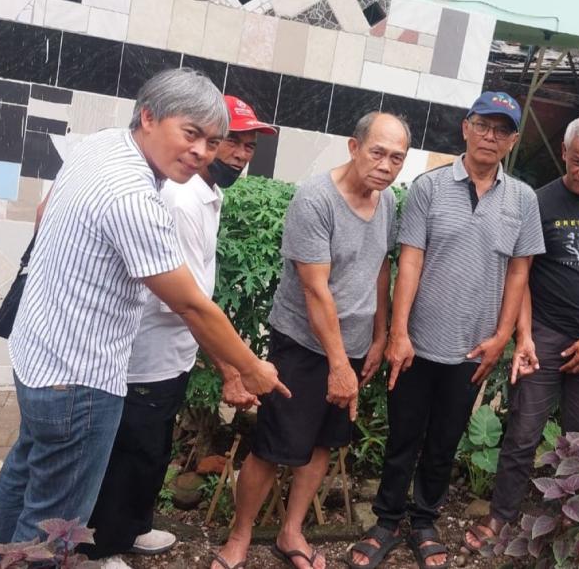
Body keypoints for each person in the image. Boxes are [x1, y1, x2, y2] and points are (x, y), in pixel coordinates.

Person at [0, 69, 289, 544]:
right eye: (191, 134)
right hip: (79, 379)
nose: (203, 152)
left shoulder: (101, 145)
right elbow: (190, 304)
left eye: (213, 141)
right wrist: (249, 368)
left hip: (38, 355)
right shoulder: (135, 199)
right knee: (54, 526)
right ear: (148, 116)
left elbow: (45, 214)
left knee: (24, 477)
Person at [348, 91, 544, 569]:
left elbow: (519, 273)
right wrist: (398, 332)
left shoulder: (522, 199)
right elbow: (409, 259)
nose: (490, 136)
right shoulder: (429, 187)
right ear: (466, 128)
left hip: (475, 349)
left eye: (501, 130)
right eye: (482, 125)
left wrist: (504, 337)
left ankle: (424, 522)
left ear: (512, 140)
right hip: (417, 344)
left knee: (445, 440)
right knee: (404, 435)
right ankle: (386, 521)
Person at [211, 112, 411, 569]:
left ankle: (291, 531)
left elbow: (381, 266)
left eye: (396, 158)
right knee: (274, 443)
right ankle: (239, 537)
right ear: (353, 146)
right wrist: (339, 365)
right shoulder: (316, 199)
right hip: (303, 344)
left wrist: (379, 335)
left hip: (356, 345)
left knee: (322, 444)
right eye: (377, 152)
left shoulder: (387, 203)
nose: (385, 165)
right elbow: (314, 289)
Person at [85, 95, 276, 565]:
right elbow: (190, 303)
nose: (239, 154)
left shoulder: (207, 193)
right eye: (231, 141)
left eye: (248, 146)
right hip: (145, 354)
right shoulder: (183, 199)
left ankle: (133, 528)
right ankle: (103, 545)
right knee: (133, 452)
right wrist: (235, 371)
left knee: (153, 449)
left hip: (171, 354)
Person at [463, 115, 579, 552]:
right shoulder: (537, 201)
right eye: (578, 160)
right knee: (523, 432)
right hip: (542, 335)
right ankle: (500, 520)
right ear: (564, 152)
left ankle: (568, 527)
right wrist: (524, 336)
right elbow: (520, 273)